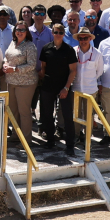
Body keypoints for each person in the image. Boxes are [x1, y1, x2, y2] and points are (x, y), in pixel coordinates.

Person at [38, 23, 78, 155]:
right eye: (56, 32)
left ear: (63, 34)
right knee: (47, 114)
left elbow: (73, 71)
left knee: (67, 116)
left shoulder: (69, 50)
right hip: (48, 86)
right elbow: (43, 68)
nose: (58, 35)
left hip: (64, 86)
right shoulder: (46, 48)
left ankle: (70, 145)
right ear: (52, 33)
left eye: (61, 32)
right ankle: (50, 140)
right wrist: (43, 82)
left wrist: (66, 88)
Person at [4, 23, 39, 149]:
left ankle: (26, 140)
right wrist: (5, 63)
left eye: (22, 30)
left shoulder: (30, 46)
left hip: (26, 83)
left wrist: (14, 69)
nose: (19, 32)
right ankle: (15, 135)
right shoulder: (13, 43)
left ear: (26, 32)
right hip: (11, 82)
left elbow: (31, 65)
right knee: (14, 111)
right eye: (17, 29)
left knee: (24, 111)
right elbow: (7, 56)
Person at [70, 27, 105, 147]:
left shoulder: (97, 54)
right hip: (76, 89)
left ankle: (87, 137)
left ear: (90, 38)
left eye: (85, 38)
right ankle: (77, 135)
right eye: (81, 38)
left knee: (89, 115)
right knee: (76, 115)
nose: (83, 40)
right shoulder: (73, 51)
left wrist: (90, 81)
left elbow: (99, 71)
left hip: (90, 90)